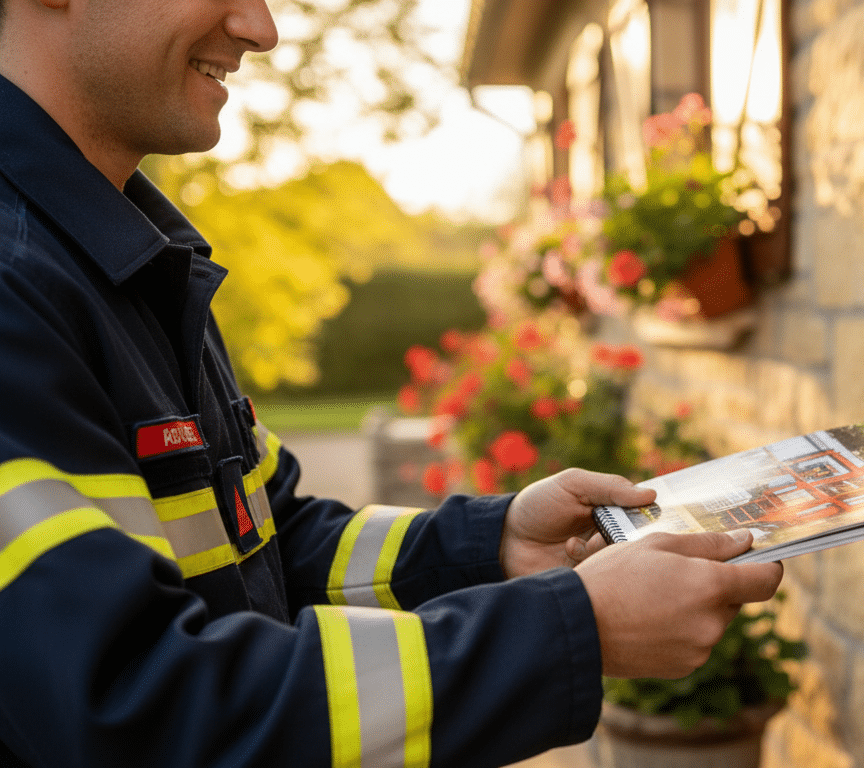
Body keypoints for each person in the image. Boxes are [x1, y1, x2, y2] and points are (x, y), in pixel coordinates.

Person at [0, 1, 784, 767]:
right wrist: (572, 628)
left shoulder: (133, 263)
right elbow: (140, 712)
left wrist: (494, 544)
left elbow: (273, 542)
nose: (260, 29)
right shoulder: (16, 285)